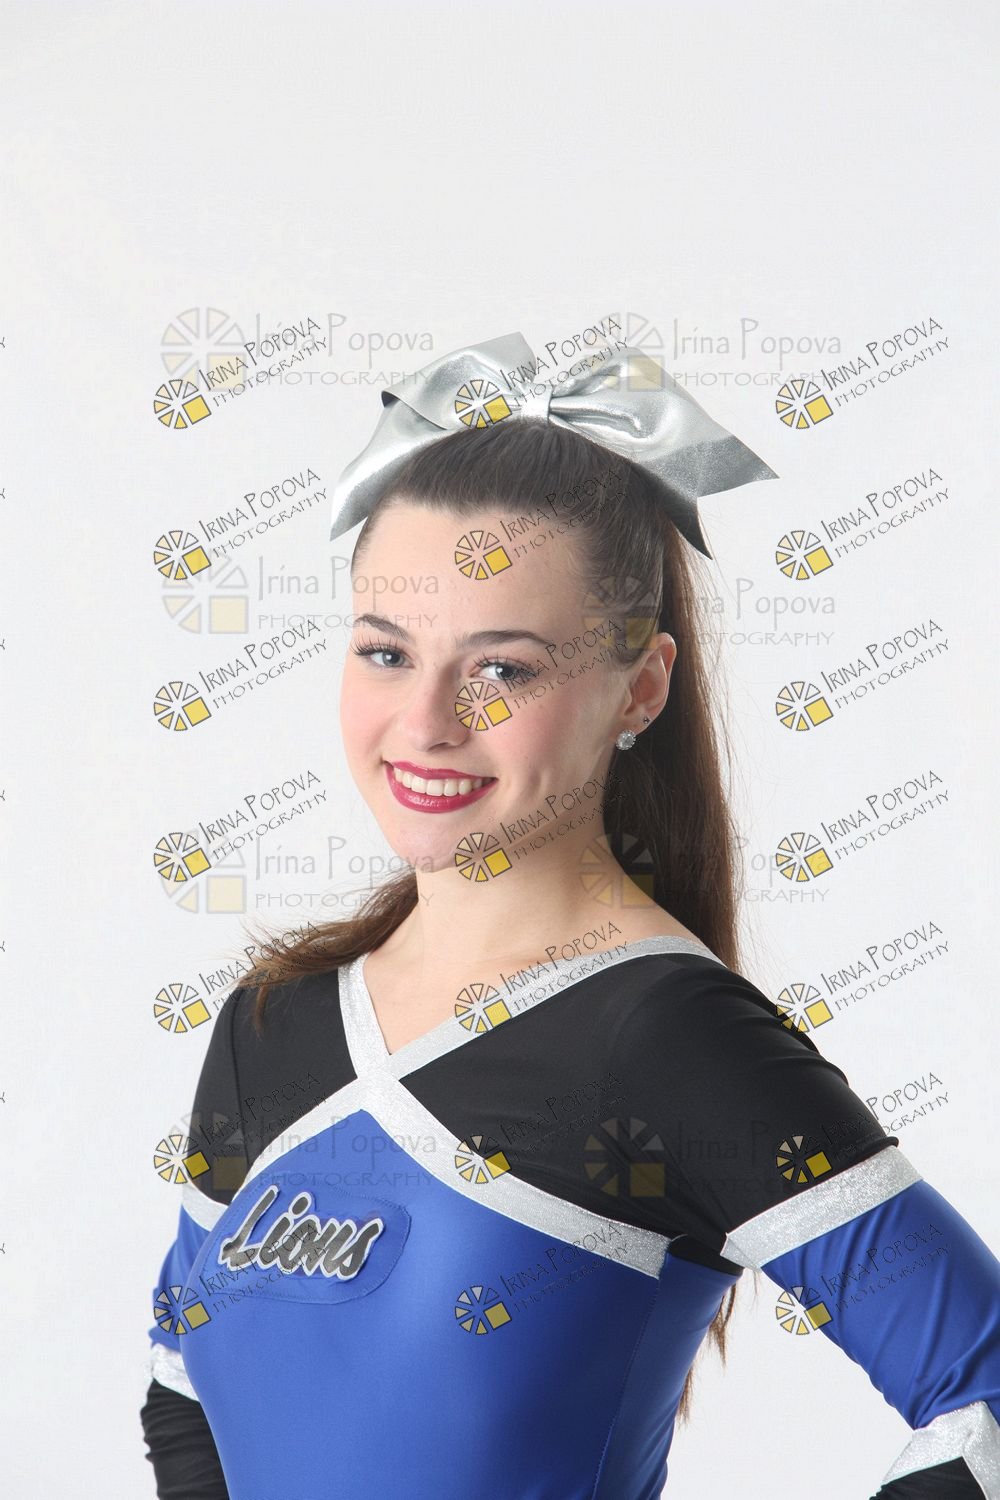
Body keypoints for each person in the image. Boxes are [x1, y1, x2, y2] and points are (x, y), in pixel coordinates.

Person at [140, 336, 1000, 1499]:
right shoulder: (272, 1025)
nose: (427, 721)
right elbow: (183, 1392)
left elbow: (982, 1394)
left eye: (502, 669)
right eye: (386, 652)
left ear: (640, 687)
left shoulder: (668, 1039)